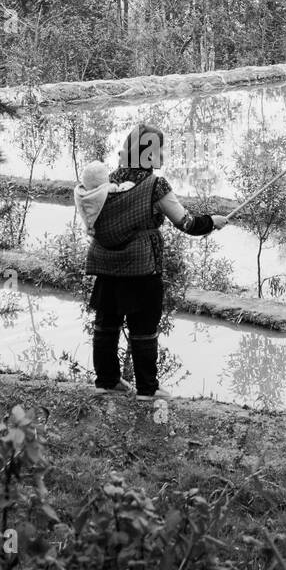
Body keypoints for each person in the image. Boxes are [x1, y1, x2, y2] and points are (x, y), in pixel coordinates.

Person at [84, 123, 227, 400]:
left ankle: (106, 381)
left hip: (107, 265)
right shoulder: (155, 185)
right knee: (143, 329)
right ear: (146, 153)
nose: (161, 155)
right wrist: (213, 222)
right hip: (141, 269)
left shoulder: (108, 182)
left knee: (106, 325)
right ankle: (147, 390)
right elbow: (186, 222)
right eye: (159, 149)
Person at [73, 160, 136, 236]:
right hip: (113, 233)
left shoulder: (80, 195)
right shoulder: (108, 195)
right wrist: (121, 186)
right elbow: (129, 188)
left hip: (97, 233)